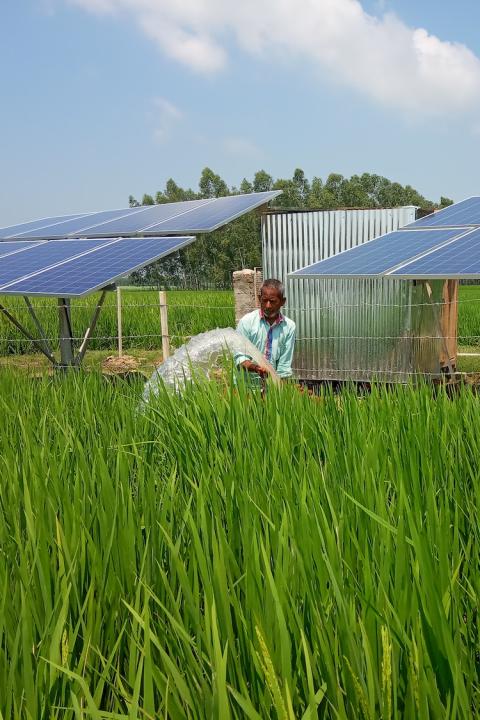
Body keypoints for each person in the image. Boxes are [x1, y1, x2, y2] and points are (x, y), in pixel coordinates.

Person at [235, 278, 296, 382]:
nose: (268, 305)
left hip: (271, 385)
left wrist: (281, 389)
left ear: (283, 301)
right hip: (246, 386)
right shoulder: (247, 322)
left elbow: (284, 366)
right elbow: (240, 358)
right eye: (264, 300)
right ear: (259, 298)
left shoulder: (289, 327)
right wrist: (255, 368)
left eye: (272, 301)